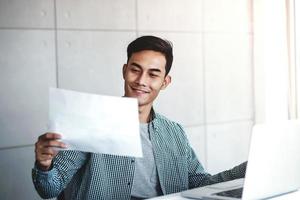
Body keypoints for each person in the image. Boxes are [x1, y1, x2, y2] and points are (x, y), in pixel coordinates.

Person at [32, 35, 247, 200]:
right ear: (125, 71)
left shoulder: (174, 132)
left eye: (153, 74)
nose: (141, 81)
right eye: (135, 70)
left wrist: (249, 170)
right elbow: (49, 188)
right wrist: (44, 164)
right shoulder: (92, 120)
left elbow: (201, 185)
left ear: (165, 82)